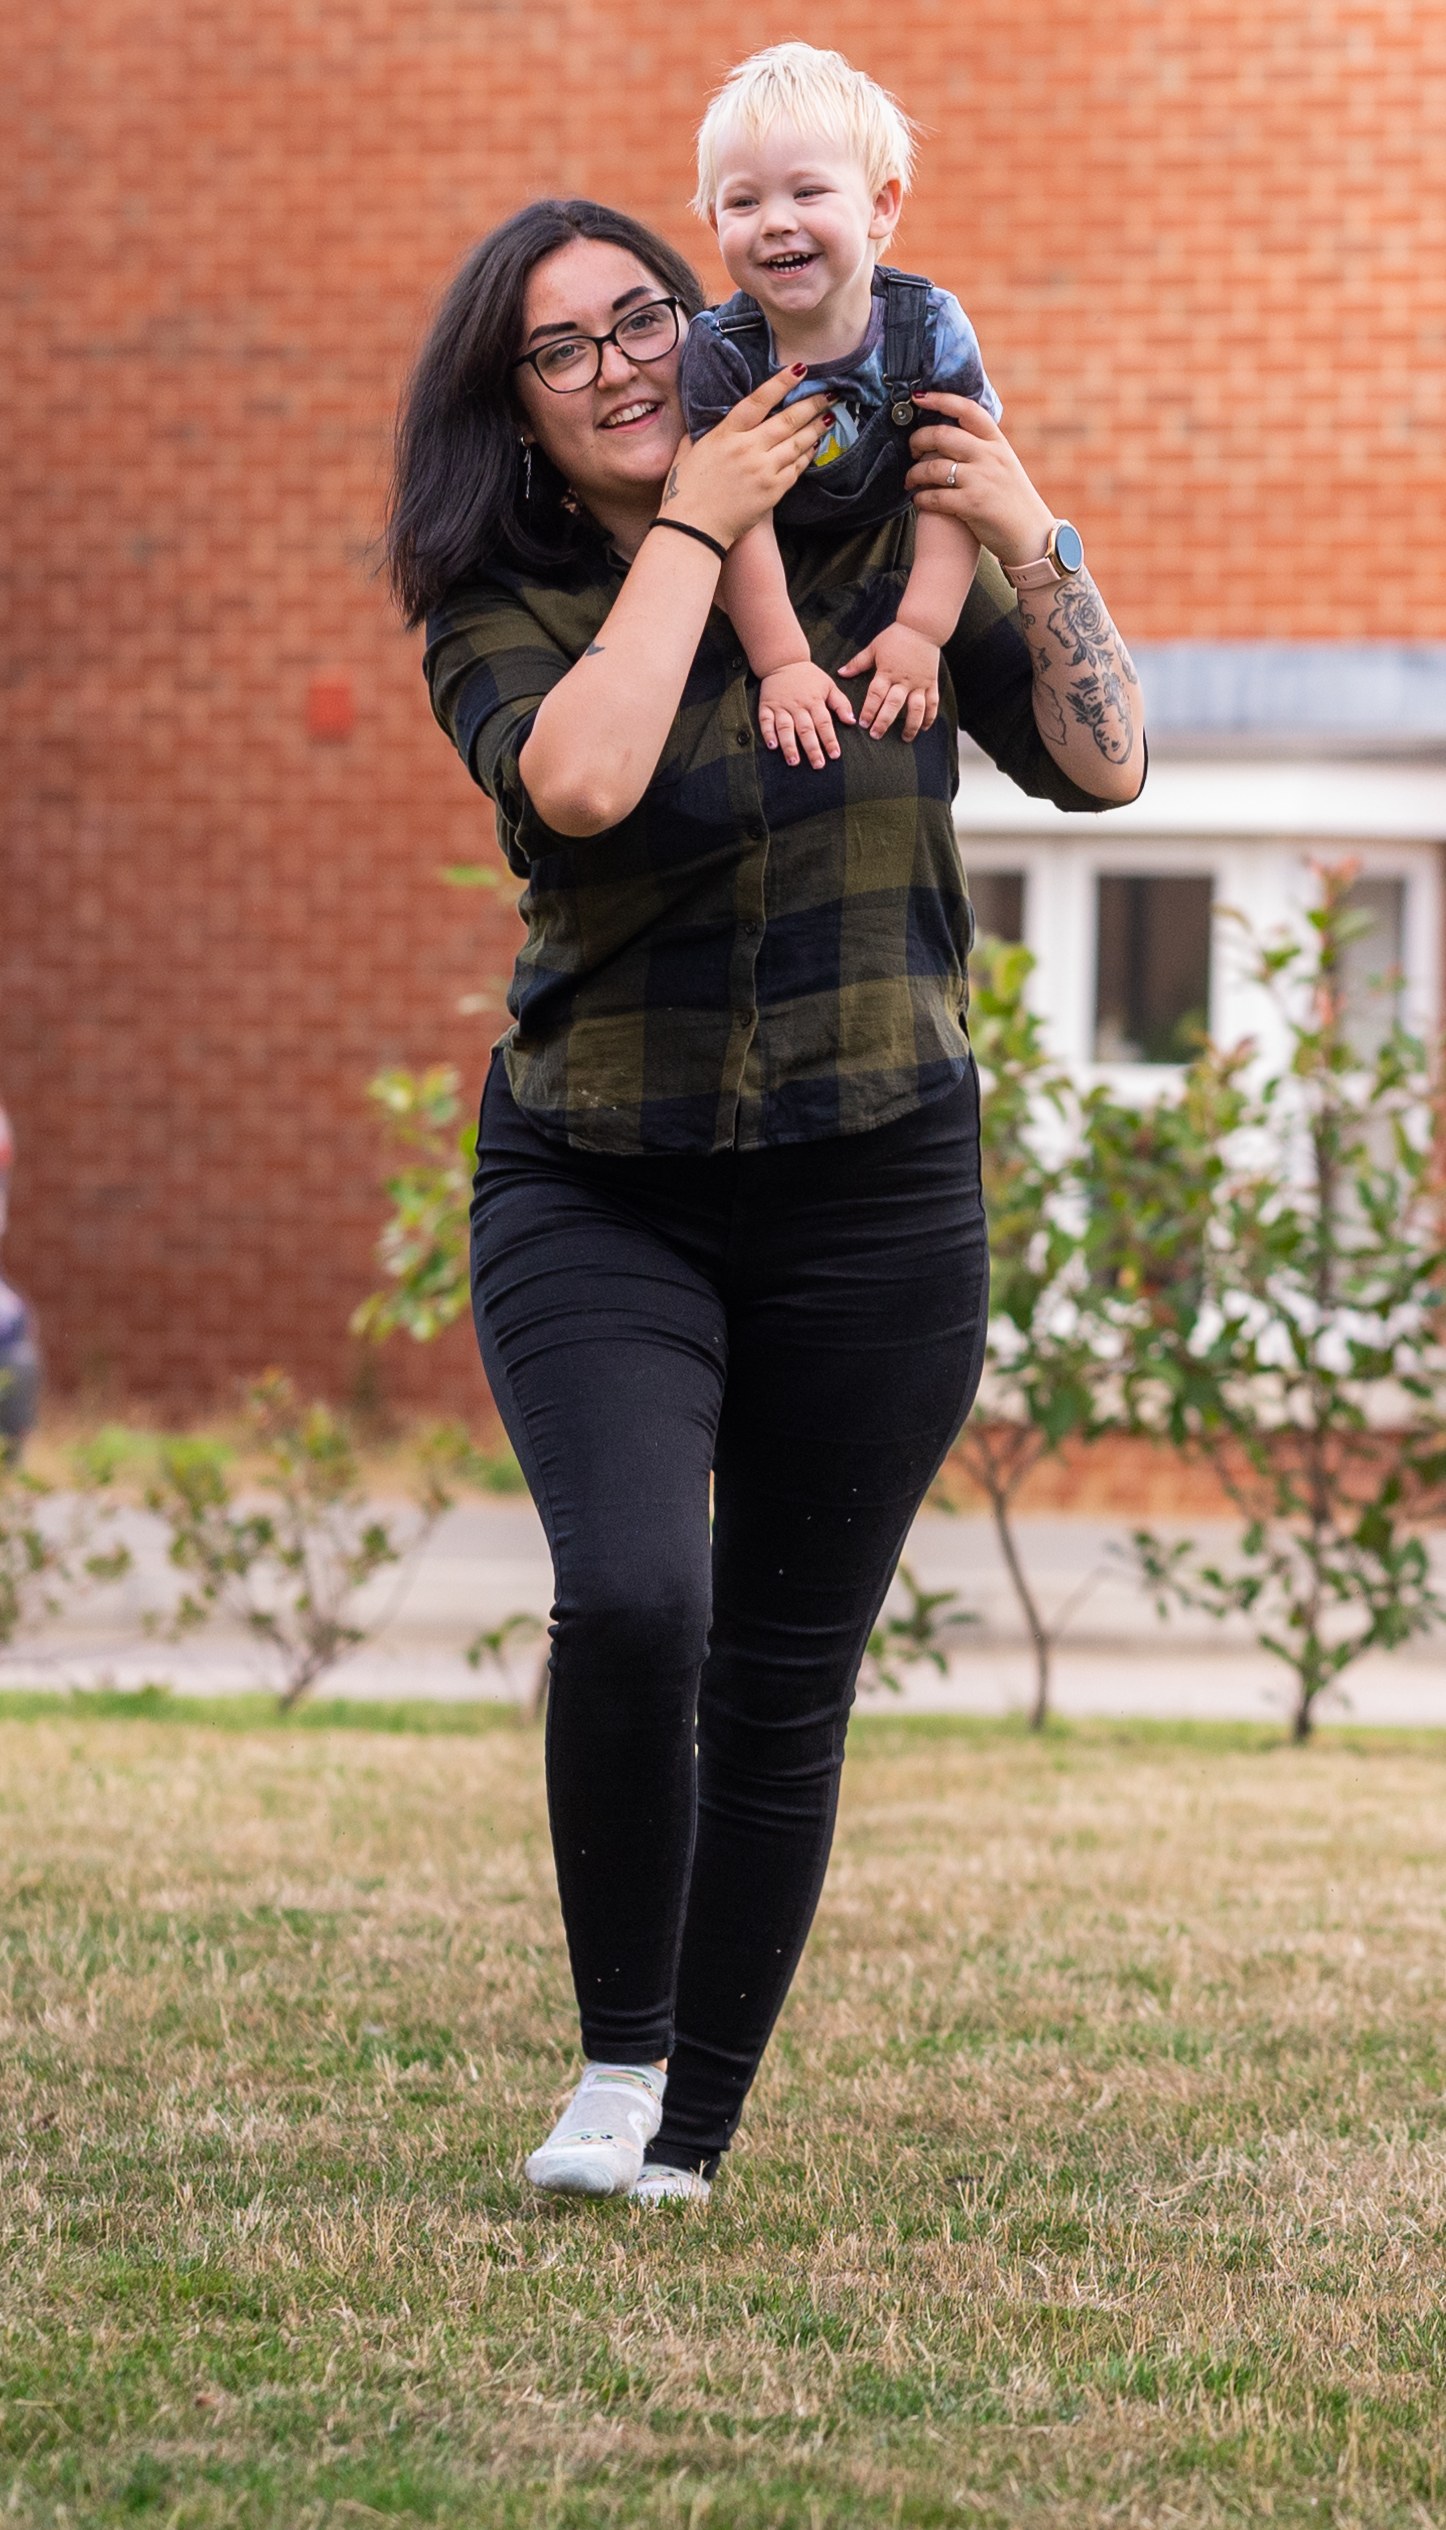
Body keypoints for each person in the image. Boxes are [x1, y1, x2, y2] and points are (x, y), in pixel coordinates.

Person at [380, 196, 1143, 2209]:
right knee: (638, 1596)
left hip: (876, 1181)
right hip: (598, 1180)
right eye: (567, 349)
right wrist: (700, 528)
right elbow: (584, 782)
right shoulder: (496, 592)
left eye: (645, 313)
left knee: (787, 1666)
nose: (625, 360)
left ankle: (690, 2129)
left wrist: (1040, 532)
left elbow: (1107, 758)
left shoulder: (885, 537)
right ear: (515, 409)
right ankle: (616, 2062)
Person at [679, 42, 991, 768]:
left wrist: (921, 630)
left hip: (896, 542)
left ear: (881, 206)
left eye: (807, 193)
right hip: (778, 561)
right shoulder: (721, 353)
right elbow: (734, 514)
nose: (777, 222)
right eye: (744, 201)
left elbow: (957, 488)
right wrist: (782, 661)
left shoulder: (930, 329)